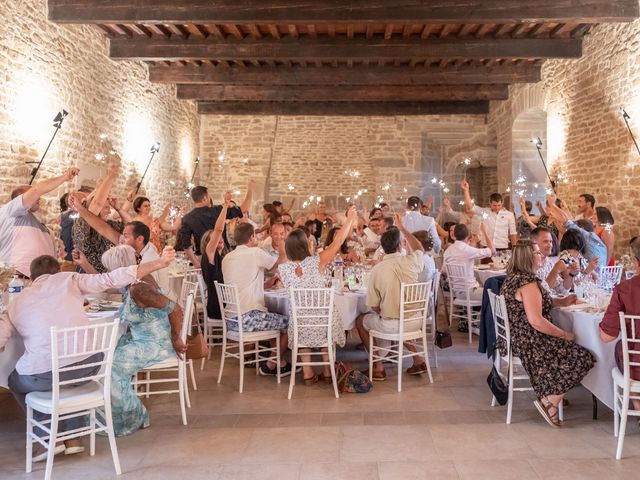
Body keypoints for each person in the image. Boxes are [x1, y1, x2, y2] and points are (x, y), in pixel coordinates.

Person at [4, 247, 174, 459]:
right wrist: (158, 263)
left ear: (31, 277)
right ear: (58, 270)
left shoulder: (17, 301)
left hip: (46, 374)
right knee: (68, 381)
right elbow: (110, 278)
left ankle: (48, 438)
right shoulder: (70, 279)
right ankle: (73, 437)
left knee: (15, 380)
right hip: (89, 367)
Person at [500, 240, 594, 427]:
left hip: (518, 337)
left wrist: (561, 302)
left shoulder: (514, 278)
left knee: (574, 350)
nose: (542, 255)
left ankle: (550, 394)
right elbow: (536, 321)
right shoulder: (527, 283)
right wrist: (563, 334)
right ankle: (551, 401)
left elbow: (534, 305)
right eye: (537, 253)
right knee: (583, 356)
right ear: (528, 257)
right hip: (530, 340)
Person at [101, 245, 186, 436]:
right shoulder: (137, 281)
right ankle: (115, 409)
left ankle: (134, 416)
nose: (109, 273)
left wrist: (176, 338)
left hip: (155, 343)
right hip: (142, 338)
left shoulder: (139, 288)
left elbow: (175, 309)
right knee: (105, 356)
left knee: (111, 366)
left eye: (110, 270)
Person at [278, 207, 358, 384]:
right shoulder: (316, 262)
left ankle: (308, 373)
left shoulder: (283, 269)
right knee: (325, 322)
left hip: (299, 322)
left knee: (306, 328)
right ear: (305, 244)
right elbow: (337, 243)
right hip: (323, 321)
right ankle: (328, 371)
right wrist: (350, 219)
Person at [355, 214, 428, 381]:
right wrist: (403, 228)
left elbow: (373, 306)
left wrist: (383, 310)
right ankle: (418, 359)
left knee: (361, 320)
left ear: (382, 247)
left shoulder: (377, 270)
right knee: (398, 317)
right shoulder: (411, 261)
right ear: (398, 247)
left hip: (393, 324)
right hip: (416, 321)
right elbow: (420, 249)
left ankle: (378, 366)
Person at [221, 223, 291, 376]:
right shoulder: (254, 253)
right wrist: (282, 246)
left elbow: (244, 281)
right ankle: (271, 363)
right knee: (291, 323)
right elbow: (279, 263)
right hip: (248, 318)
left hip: (231, 319)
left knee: (274, 319)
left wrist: (266, 284)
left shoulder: (227, 257)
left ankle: (280, 362)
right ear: (252, 237)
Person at [68, 195, 171, 294]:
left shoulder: (147, 262)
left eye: (125, 236)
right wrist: (84, 263)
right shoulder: (137, 248)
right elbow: (104, 229)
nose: (120, 240)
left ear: (139, 239)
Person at [0, 168, 79, 277]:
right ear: (20, 199)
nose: (39, 197)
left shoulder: (38, 222)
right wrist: (65, 177)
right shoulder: (12, 211)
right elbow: (37, 190)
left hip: (41, 281)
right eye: (34, 195)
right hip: (17, 279)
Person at [600, 238, 640, 411]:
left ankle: (639, 408)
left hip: (638, 367)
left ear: (636, 262)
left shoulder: (625, 289)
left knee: (620, 349)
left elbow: (606, 336)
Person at [179, 182, 254, 268]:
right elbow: (244, 209)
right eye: (208, 196)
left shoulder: (187, 218)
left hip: (202, 257)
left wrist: (196, 263)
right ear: (205, 198)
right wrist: (250, 189)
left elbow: (186, 245)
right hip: (222, 254)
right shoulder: (217, 211)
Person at [442, 223, 495, 302]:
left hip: (455, 292)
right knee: (495, 293)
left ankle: (478, 313)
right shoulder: (467, 250)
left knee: (483, 286)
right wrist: (485, 232)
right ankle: (484, 314)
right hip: (469, 292)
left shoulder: (448, 251)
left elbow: (444, 271)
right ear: (467, 235)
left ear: (454, 235)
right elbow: (492, 251)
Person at [461, 179, 517, 250]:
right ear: (490, 203)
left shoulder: (509, 215)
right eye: (494, 205)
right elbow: (470, 207)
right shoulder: (485, 212)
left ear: (502, 203)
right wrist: (466, 190)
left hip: (502, 247)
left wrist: (514, 248)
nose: (497, 207)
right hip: (486, 247)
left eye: (499, 205)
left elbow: (513, 232)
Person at [200, 200, 231, 321]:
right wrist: (225, 207)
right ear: (209, 243)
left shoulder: (222, 257)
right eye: (214, 239)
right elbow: (218, 230)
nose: (219, 239)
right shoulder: (209, 255)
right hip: (218, 306)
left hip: (225, 301)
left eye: (220, 238)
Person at [530, 227, 567, 295]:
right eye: (545, 241)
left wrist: (570, 274)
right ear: (534, 243)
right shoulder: (529, 265)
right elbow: (540, 293)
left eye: (551, 241)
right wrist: (555, 270)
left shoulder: (549, 262)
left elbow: (562, 290)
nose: (550, 245)